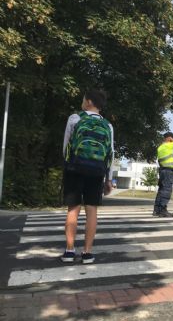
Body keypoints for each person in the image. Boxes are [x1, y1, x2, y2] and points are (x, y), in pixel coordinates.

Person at [61, 89, 114, 264]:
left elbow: (66, 146)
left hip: (75, 169)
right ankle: (87, 253)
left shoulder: (75, 118)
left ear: (89, 102)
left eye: (84, 99)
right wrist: (108, 179)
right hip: (96, 172)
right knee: (92, 211)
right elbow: (110, 153)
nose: (82, 102)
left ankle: (69, 251)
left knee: (73, 210)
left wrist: (68, 165)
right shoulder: (108, 125)